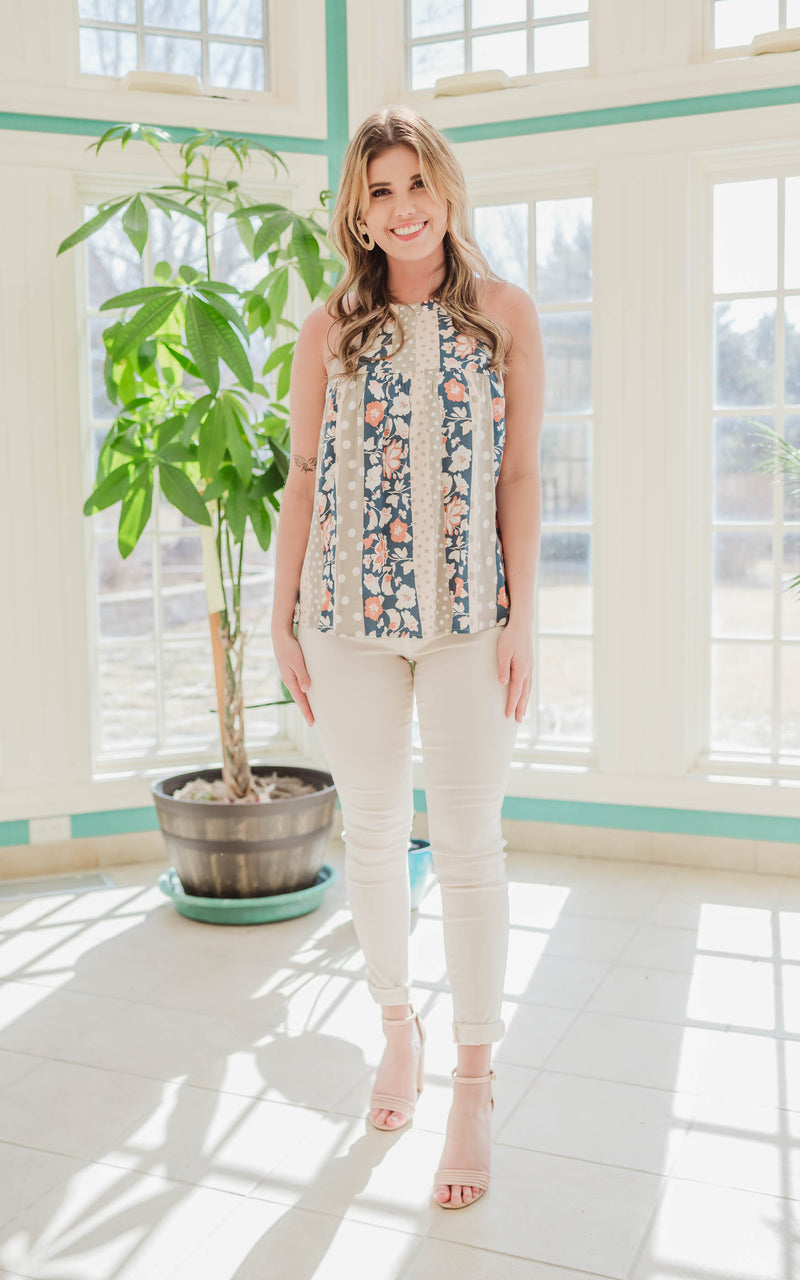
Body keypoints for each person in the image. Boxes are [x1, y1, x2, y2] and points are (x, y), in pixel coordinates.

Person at [271, 104, 544, 1210]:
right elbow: (299, 475)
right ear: (358, 208)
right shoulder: (327, 326)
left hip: (471, 617)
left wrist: (526, 612)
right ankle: (398, 1027)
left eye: (415, 182)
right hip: (343, 620)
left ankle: (472, 1081)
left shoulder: (505, 315)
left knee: (471, 845)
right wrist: (278, 615)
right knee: (374, 835)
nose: (401, 206)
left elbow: (519, 478)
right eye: (378, 189)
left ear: (446, 187)